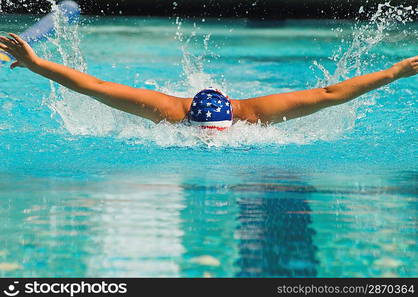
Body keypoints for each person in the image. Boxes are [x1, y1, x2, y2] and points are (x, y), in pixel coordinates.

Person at [1, 33, 417, 130]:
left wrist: (396, 72)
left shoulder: (254, 116)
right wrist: (36, 64)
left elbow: (329, 94)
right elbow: (97, 88)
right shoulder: (167, 112)